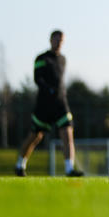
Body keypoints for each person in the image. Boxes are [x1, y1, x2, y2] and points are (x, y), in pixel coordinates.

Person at [15, 30, 83, 177]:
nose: (59, 43)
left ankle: (69, 169)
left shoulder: (63, 59)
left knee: (67, 133)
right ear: (51, 40)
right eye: (56, 40)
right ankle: (20, 164)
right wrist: (48, 90)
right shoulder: (42, 58)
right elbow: (37, 79)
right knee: (35, 136)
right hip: (44, 105)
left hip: (61, 103)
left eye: (61, 40)